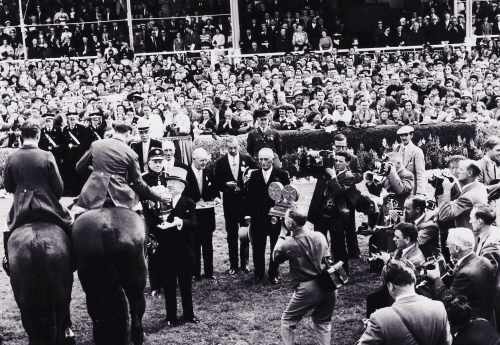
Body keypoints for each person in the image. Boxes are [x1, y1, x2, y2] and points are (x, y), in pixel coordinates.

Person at [2, 120, 73, 275]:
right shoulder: (47, 155)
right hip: (47, 205)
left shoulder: (12, 157)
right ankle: (73, 256)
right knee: (70, 221)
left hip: (21, 207)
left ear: (21, 136)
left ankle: (7, 259)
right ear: (38, 135)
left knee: (6, 227)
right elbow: (59, 188)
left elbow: (7, 186)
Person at [74, 121, 170, 213]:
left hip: (92, 192)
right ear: (128, 134)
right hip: (120, 195)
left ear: (115, 132)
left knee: (73, 217)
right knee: (139, 218)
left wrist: (97, 173)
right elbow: (138, 183)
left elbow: (79, 167)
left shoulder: (96, 144)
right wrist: (159, 197)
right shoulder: (130, 153)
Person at [273, 210, 335, 345]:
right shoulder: (320, 235)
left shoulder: (289, 243)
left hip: (308, 287)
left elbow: (275, 257)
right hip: (330, 283)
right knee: (322, 323)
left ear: (290, 223)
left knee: (287, 321)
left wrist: (282, 234)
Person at [358, 259, 452, 345]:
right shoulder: (438, 307)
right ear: (414, 280)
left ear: (390, 286)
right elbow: (447, 342)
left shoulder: (379, 318)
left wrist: (368, 329)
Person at [308, 151, 372, 273]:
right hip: (322, 213)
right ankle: (322, 268)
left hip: (337, 214)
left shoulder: (349, 176)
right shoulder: (326, 171)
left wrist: (333, 177)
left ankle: (343, 270)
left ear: (347, 163)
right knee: (319, 241)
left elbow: (340, 192)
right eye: (336, 160)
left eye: (340, 161)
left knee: (338, 244)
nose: (337, 163)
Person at [152, 168, 200, 325]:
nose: (170, 185)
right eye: (169, 182)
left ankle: (189, 314)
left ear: (182, 186)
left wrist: (181, 222)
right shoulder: (161, 202)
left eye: (174, 182)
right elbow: (155, 223)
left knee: (185, 285)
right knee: (169, 285)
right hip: (166, 251)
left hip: (184, 250)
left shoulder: (188, 203)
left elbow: (194, 223)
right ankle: (170, 316)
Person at [427, 227, 497, 324]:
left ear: (456, 248)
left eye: (448, 245)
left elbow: (448, 302)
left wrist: (436, 278)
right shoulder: (484, 261)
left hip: (471, 321)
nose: (447, 247)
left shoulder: (465, 274)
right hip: (487, 315)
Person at [245, 147, 290, 284]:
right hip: (258, 217)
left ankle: (273, 273)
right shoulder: (253, 175)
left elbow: (288, 197)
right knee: (258, 246)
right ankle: (258, 273)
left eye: (266, 159)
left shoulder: (282, 175)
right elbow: (249, 198)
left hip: (275, 217)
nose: (263, 162)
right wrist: (248, 215)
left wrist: (282, 213)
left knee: (275, 246)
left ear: (272, 159)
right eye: (260, 159)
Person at [214, 137, 256, 274]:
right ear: (226, 148)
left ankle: (245, 264)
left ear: (239, 147)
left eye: (235, 148)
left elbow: (255, 177)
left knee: (245, 234)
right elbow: (217, 182)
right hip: (230, 203)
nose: (232, 150)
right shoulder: (220, 163)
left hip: (245, 203)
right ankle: (233, 265)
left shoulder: (247, 160)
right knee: (231, 234)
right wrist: (226, 185)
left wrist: (247, 184)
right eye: (230, 148)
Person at [366, 222, 426, 317]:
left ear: (407, 239)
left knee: (373, 300)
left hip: (403, 294)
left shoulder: (416, 258)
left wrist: (389, 262)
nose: (394, 239)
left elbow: (400, 278)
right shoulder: (402, 248)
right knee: (371, 298)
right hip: (394, 288)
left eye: (397, 237)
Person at [184, 147, 220, 281]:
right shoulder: (186, 173)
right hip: (192, 215)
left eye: (206, 160)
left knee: (208, 245)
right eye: (201, 161)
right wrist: (193, 203)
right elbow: (183, 195)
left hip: (207, 214)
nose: (204, 163)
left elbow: (215, 189)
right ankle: (195, 274)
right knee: (194, 245)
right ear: (193, 160)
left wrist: (216, 198)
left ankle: (209, 273)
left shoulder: (209, 171)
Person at [141, 147, 170, 296]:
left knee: (167, 251)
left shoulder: (168, 176)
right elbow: (139, 198)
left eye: (160, 161)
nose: (158, 164)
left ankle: (168, 282)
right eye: (155, 161)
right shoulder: (143, 178)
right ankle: (155, 285)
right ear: (149, 162)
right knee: (154, 252)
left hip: (167, 218)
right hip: (151, 219)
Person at [470, 203, 500, 332]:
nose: (469, 221)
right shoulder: (490, 233)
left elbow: (484, 275)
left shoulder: (491, 245)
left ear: (480, 221)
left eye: (472, 217)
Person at [437, 159, 488, 229]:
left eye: (460, 169)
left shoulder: (469, 197)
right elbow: (458, 202)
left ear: (470, 173)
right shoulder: (479, 186)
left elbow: (444, 216)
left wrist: (446, 190)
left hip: (468, 235)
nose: (457, 172)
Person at [62, 112, 91, 196]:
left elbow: (85, 143)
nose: (72, 121)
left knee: (80, 174)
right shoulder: (65, 129)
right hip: (69, 157)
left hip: (79, 156)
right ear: (67, 120)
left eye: (74, 119)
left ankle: (80, 192)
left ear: (77, 119)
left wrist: (74, 146)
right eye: (70, 119)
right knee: (70, 175)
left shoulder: (83, 129)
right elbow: (63, 142)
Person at [395, 126, 426, 195]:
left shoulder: (417, 151)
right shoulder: (397, 149)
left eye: (406, 135)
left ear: (411, 135)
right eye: (401, 135)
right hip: (398, 188)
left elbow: (420, 174)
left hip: (411, 190)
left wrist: (420, 193)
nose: (403, 138)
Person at [476, 136, 500, 224]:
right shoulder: (479, 166)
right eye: (498, 150)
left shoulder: (496, 163)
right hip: (485, 212)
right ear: (488, 149)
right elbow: (477, 190)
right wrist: (497, 186)